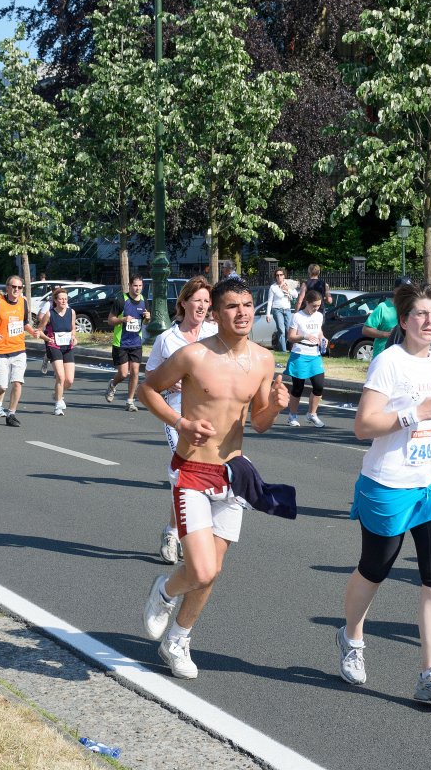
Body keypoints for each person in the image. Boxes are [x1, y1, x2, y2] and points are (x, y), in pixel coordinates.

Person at [138, 278, 290, 680]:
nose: (242, 313)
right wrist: (180, 422)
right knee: (200, 570)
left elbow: (258, 422)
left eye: (247, 305)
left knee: (213, 572)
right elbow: (147, 390)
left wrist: (273, 406)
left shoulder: (262, 360)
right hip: (191, 471)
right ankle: (165, 591)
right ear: (218, 314)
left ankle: (178, 639)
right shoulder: (194, 356)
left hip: (232, 474)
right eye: (231, 307)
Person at [336, 282, 431, 703]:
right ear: (405, 319)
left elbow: (425, 416)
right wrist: (414, 413)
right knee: (374, 570)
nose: (429, 321)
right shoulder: (388, 362)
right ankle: (352, 637)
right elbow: (363, 427)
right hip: (389, 482)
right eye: (421, 314)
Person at [146, 277, 218, 564]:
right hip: (176, 414)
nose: (201, 306)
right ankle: (176, 533)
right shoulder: (167, 339)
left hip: (212, 415)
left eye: (206, 301)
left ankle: (177, 528)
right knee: (187, 473)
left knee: (205, 478)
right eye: (197, 300)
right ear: (184, 302)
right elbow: (150, 378)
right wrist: (169, 382)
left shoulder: (215, 334)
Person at [0, 275, 42, 427]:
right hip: (0, 349)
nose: (16, 290)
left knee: (17, 383)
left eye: (19, 287)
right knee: (2, 386)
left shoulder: (23, 302)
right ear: (7, 287)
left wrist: (32, 331)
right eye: (13, 287)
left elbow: (24, 323)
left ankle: (11, 414)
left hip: (19, 349)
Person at [105, 275, 151, 412]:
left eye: (140, 286)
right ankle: (113, 384)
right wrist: (123, 319)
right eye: (135, 286)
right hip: (121, 343)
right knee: (124, 374)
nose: (138, 289)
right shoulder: (121, 300)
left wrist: (148, 318)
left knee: (135, 372)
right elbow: (110, 320)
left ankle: (130, 401)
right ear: (130, 285)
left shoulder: (144, 301)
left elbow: (145, 321)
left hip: (136, 342)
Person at [286, 289, 327, 428]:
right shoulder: (297, 316)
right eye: (314, 305)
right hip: (300, 354)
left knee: (319, 386)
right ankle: (292, 416)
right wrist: (304, 336)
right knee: (298, 388)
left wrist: (322, 338)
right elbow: (290, 337)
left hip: (314, 354)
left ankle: (312, 414)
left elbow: (319, 331)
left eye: (318, 306)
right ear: (307, 302)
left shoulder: (319, 316)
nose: (316, 308)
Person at [39, 286, 77, 415]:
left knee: (69, 380)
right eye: (61, 299)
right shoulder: (50, 314)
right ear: (55, 300)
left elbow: (73, 328)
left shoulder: (71, 312)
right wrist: (47, 338)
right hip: (54, 346)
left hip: (68, 347)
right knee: (60, 377)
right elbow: (39, 330)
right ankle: (58, 405)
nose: (63, 301)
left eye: (65, 299)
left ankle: (57, 393)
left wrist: (73, 337)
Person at [264, 267, 297, 353]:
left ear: (284, 276)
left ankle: (283, 347)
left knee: (288, 330)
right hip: (277, 310)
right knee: (281, 330)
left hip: (287, 309)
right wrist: (268, 314)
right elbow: (270, 301)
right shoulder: (273, 287)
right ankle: (283, 350)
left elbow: (295, 295)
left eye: (281, 275)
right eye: (277, 275)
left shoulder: (288, 284)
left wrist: (287, 289)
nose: (279, 277)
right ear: (275, 277)